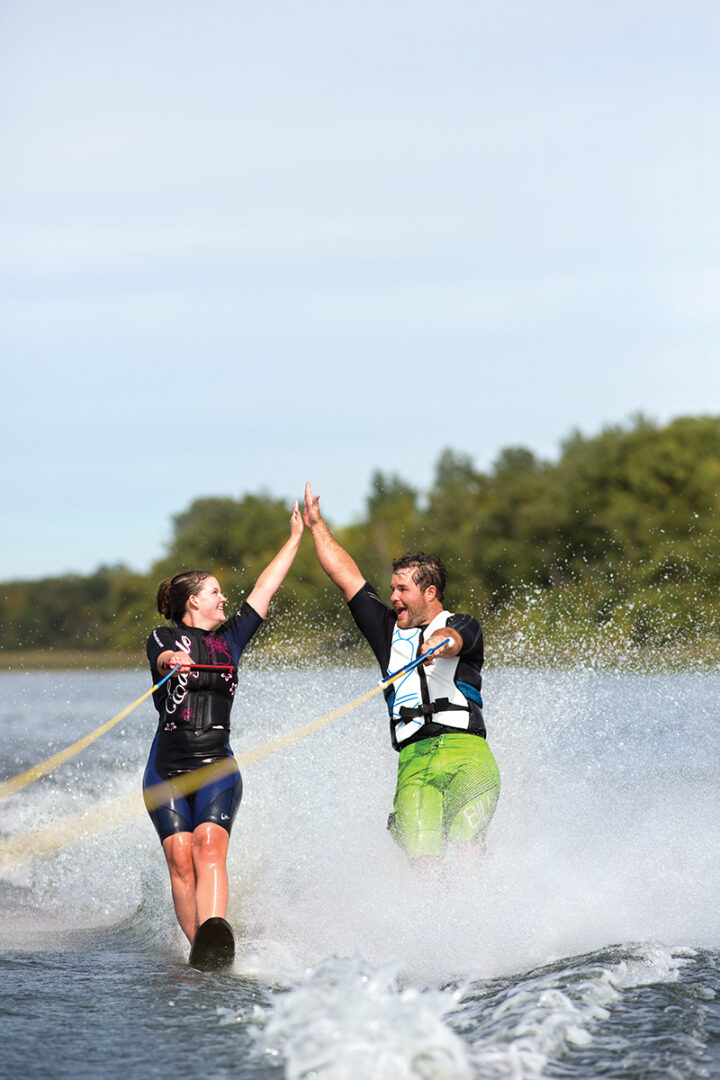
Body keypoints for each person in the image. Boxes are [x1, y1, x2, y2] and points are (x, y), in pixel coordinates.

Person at [303, 482, 500, 871]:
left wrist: (438, 645)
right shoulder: (386, 631)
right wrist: (316, 526)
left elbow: (455, 638)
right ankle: (432, 928)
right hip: (414, 764)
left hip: (468, 758)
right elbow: (345, 575)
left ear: (429, 592)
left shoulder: (462, 624)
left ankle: (479, 923)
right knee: (423, 864)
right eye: (391, 588)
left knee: (465, 851)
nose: (392, 597)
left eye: (401, 589)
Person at [143, 502, 303, 944]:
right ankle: (201, 949)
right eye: (215, 592)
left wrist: (294, 539)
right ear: (194, 601)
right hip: (166, 769)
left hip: (217, 764)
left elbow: (265, 588)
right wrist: (173, 660)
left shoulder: (231, 639)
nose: (223, 598)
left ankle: (214, 935)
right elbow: (160, 655)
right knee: (180, 856)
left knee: (208, 846)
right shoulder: (163, 637)